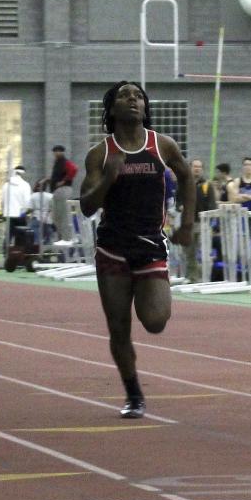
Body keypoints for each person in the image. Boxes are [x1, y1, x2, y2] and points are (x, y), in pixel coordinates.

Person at [79, 80, 195, 418]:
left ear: (145, 108)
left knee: (156, 321)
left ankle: (134, 386)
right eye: (124, 95)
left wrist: (188, 224)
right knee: (119, 328)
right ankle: (133, 394)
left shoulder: (163, 145)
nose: (133, 99)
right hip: (113, 250)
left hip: (150, 247)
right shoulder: (100, 153)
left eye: (138, 96)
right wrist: (107, 178)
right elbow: (87, 206)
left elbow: (187, 177)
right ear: (112, 109)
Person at [181, 159, 218, 282]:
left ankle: (205, 277)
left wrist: (210, 221)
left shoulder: (207, 185)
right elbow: (178, 201)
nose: (197, 169)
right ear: (190, 168)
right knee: (189, 252)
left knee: (204, 252)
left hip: (203, 223)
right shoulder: (184, 183)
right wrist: (179, 206)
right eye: (195, 166)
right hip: (187, 224)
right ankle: (192, 277)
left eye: (199, 167)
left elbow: (212, 205)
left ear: (202, 169)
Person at [49, 145, 78, 242]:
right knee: (57, 216)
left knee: (64, 215)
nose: (56, 153)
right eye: (55, 151)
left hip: (63, 190)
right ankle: (60, 236)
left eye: (58, 151)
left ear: (62, 152)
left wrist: (63, 181)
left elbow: (74, 169)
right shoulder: (57, 163)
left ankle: (67, 238)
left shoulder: (65, 162)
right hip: (57, 191)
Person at [1, 165, 31, 246]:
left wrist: (4, 211)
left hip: (8, 214)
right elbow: (27, 202)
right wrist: (25, 212)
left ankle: (6, 254)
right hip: (20, 214)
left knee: (8, 235)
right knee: (21, 236)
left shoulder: (6, 185)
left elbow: (3, 201)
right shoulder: (25, 185)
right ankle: (19, 254)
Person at [28, 180, 54, 244]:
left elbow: (30, 209)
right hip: (48, 219)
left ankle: (37, 250)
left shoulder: (33, 196)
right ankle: (48, 251)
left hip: (36, 218)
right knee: (48, 239)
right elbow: (52, 208)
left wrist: (25, 214)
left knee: (36, 239)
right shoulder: (51, 196)